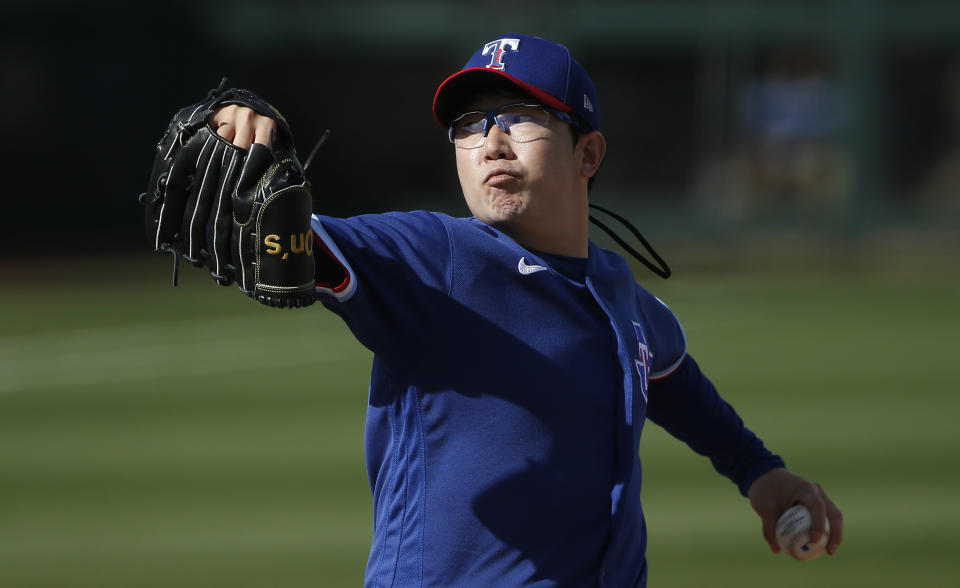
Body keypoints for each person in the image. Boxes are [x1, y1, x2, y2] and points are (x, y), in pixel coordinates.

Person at [203, 33, 843, 587]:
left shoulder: (622, 298)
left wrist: (761, 474)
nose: (491, 142)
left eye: (519, 117)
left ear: (587, 154)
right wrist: (235, 139)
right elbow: (293, 238)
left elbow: (671, 378)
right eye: (470, 124)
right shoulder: (435, 258)